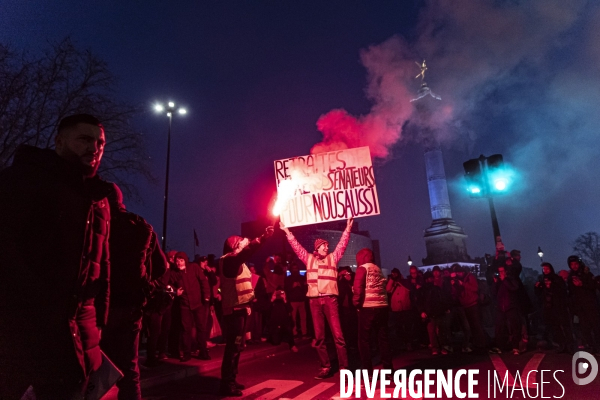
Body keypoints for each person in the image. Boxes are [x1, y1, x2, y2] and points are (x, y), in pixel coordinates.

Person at [0, 114, 112, 399]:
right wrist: (40, 303)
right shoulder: (25, 181)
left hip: (79, 337)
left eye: (100, 142)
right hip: (25, 335)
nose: (95, 148)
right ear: (60, 141)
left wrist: (99, 323)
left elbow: (101, 269)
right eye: (84, 139)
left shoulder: (98, 200)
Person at [101, 183, 168, 400]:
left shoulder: (98, 222)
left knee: (90, 366)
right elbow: (161, 266)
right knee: (129, 371)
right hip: (130, 306)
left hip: (99, 303)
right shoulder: (141, 226)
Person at [280, 217, 353, 380]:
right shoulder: (309, 259)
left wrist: (347, 229)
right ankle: (325, 366)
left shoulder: (333, 258)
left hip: (329, 300)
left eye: (327, 245)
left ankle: (344, 368)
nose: (327, 247)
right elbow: (296, 247)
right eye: (324, 245)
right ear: (317, 248)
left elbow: (342, 244)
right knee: (319, 337)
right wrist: (287, 232)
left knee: (338, 336)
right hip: (314, 301)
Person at [219, 226, 274, 397]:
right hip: (234, 312)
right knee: (232, 348)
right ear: (235, 246)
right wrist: (263, 237)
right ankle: (226, 383)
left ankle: (232, 379)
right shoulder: (229, 261)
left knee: (238, 347)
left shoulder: (237, 262)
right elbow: (247, 251)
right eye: (241, 242)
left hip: (241, 310)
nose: (245, 243)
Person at [353, 248, 393, 374]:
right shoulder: (377, 269)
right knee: (383, 339)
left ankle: (368, 372)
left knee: (363, 340)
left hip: (368, 306)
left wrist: (356, 304)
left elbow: (358, 288)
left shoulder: (362, 269)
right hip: (382, 306)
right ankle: (389, 370)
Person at [170, 252, 212, 362]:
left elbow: (203, 281)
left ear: (185, 260)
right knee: (186, 330)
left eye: (181, 260)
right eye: (177, 261)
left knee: (201, 328)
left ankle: (203, 351)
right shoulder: (174, 273)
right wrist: (175, 291)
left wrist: (206, 296)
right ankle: (187, 353)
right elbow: (169, 285)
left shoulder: (194, 267)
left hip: (198, 303)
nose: (179, 262)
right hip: (184, 305)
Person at [534, 262, 573, 354]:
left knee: (564, 326)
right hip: (548, 307)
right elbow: (539, 294)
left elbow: (562, 291)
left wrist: (551, 287)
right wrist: (537, 287)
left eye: (547, 268)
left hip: (558, 306)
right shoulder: (542, 279)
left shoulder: (557, 279)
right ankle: (561, 344)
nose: (545, 271)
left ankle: (570, 345)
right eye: (544, 269)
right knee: (555, 327)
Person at [567, 255, 600, 353]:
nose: (574, 266)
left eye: (576, 264)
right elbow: (571, 293)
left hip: (590, 304)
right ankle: (590, 345)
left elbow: (593, 286)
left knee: (596, 326)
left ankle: (598, 345)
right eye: (572, 264)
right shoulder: (571, 276)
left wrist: (582, 284)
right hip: (579, 306)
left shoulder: (586, 273)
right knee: (585, 327)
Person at [489, 264, 521, 355]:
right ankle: (499, 346)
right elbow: (493, 293)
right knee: (499, 328)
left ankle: (516, 347)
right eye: (499, 271)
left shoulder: (511, 279)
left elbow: (514, 288)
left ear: (506, 271)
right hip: (500, 307)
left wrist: (505, 280)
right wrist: (495, 283)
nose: (500, 273)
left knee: (515, 327)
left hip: (511, 306)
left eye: (502, 271)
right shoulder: (499, 281)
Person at [386, 268, 414, 351]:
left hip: (405, 307)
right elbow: (387, 290)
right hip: (396, 309)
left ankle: (408, 342)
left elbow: (409, 288)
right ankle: (403, 342)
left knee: (407, 326)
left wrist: (399, 281)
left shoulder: (404, 282)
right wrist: (392, 280)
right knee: (399, 327)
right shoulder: (392, 283)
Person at [268, 287, 299, 352]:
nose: (279, 295)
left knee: (288, 330)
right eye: (277, 293)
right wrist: (272, 300)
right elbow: (267, 310)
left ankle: (292, 345)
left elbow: (290, 309)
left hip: (284, 322)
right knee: (276, 342)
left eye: (281, 293)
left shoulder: (285, 301)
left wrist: (285, 300)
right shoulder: (273, 302)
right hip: (275, 323)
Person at [284, 261, 308, 338]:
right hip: (293, 300)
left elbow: (306, 288)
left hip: (301, 300)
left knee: (303, 318)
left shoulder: (301, 277)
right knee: (293, 318)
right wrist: (293, 286)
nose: (295, 270)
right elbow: (286, 289)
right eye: (293, 268)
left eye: (296, 268)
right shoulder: (288, 279)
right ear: (291, 269)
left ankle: (304, 332)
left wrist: (301, 285)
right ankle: (294, 333)